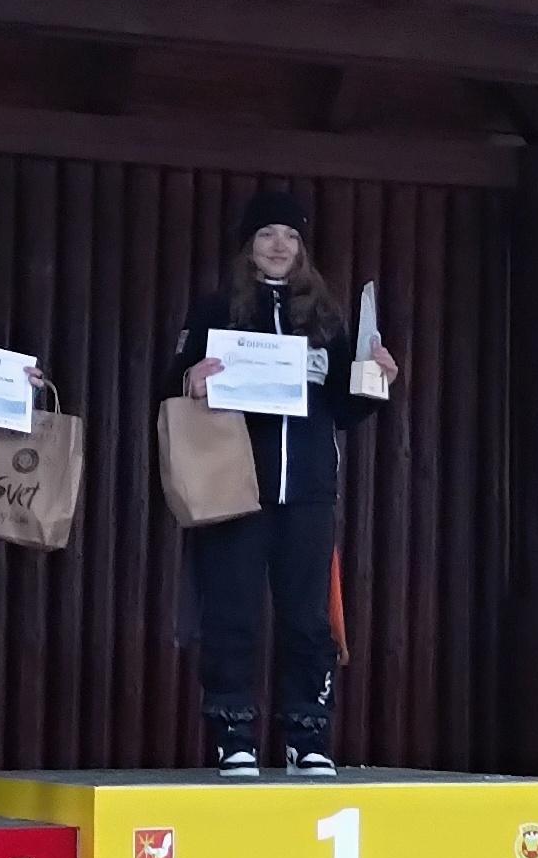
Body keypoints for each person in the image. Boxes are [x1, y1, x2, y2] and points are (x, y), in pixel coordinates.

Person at [167, 188, 401, 774]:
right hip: (233, 485)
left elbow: (343, 408)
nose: (279, 245)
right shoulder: (215, 310)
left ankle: (307, 737)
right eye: (268, 234)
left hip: (309, 491)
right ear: (248, 244)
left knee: (308, 618)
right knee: (233, 612)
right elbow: (170, 385)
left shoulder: (324, 317)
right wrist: (190, 380)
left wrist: (377, 382)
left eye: (291, 236)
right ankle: (233, 737)